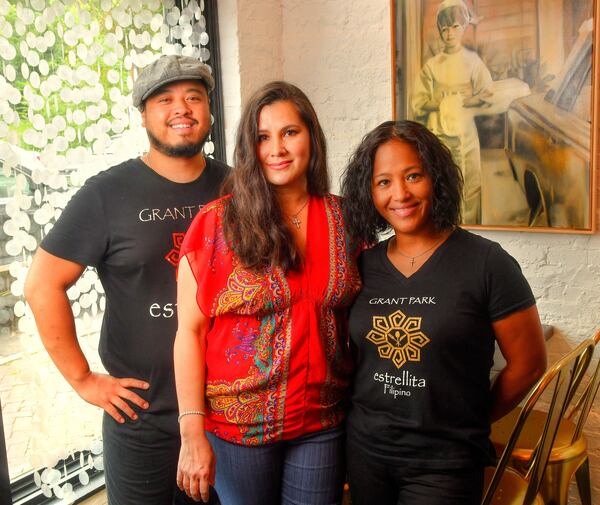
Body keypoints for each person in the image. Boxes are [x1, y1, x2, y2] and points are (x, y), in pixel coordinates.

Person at [24, 55, 229, 505]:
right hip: (142, 420)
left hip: (230, 414)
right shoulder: (106, 194)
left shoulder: (237, 187)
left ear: (210, 111)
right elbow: (41, 286)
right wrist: (83, 380)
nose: (183, 108)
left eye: (194, 97)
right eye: (166, 99)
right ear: (143, 115)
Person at [340, 120, 547, 505]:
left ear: (436, 178)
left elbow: (530, 364)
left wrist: (471, 417)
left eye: (413, 175)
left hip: (446, 462)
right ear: (369, 192)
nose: (399, 193)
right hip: (366, 452)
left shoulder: (487, 263)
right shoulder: (362, 265)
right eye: (383, 182)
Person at [174, 81, 361, 505]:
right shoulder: (215, 224)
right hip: (238, 432)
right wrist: (191, 432)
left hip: (322, 423)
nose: (276, 148)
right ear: (248, 147)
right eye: (262, 137)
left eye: (290, 132)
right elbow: (190, 332)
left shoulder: (346, 221)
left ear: (311, 136)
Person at [411, 0, 493, 224]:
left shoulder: (472, 61)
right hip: (439, 135)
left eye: (455, 27)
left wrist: (467, 99)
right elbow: (418, 103)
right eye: (445, 29)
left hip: (465, 133)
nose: (449, 33)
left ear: (464, 27)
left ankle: (471, 230)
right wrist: (439, 101)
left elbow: (487, 93)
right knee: (440, 185)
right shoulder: (432, 66)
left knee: (470, 184)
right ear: (439, 31)